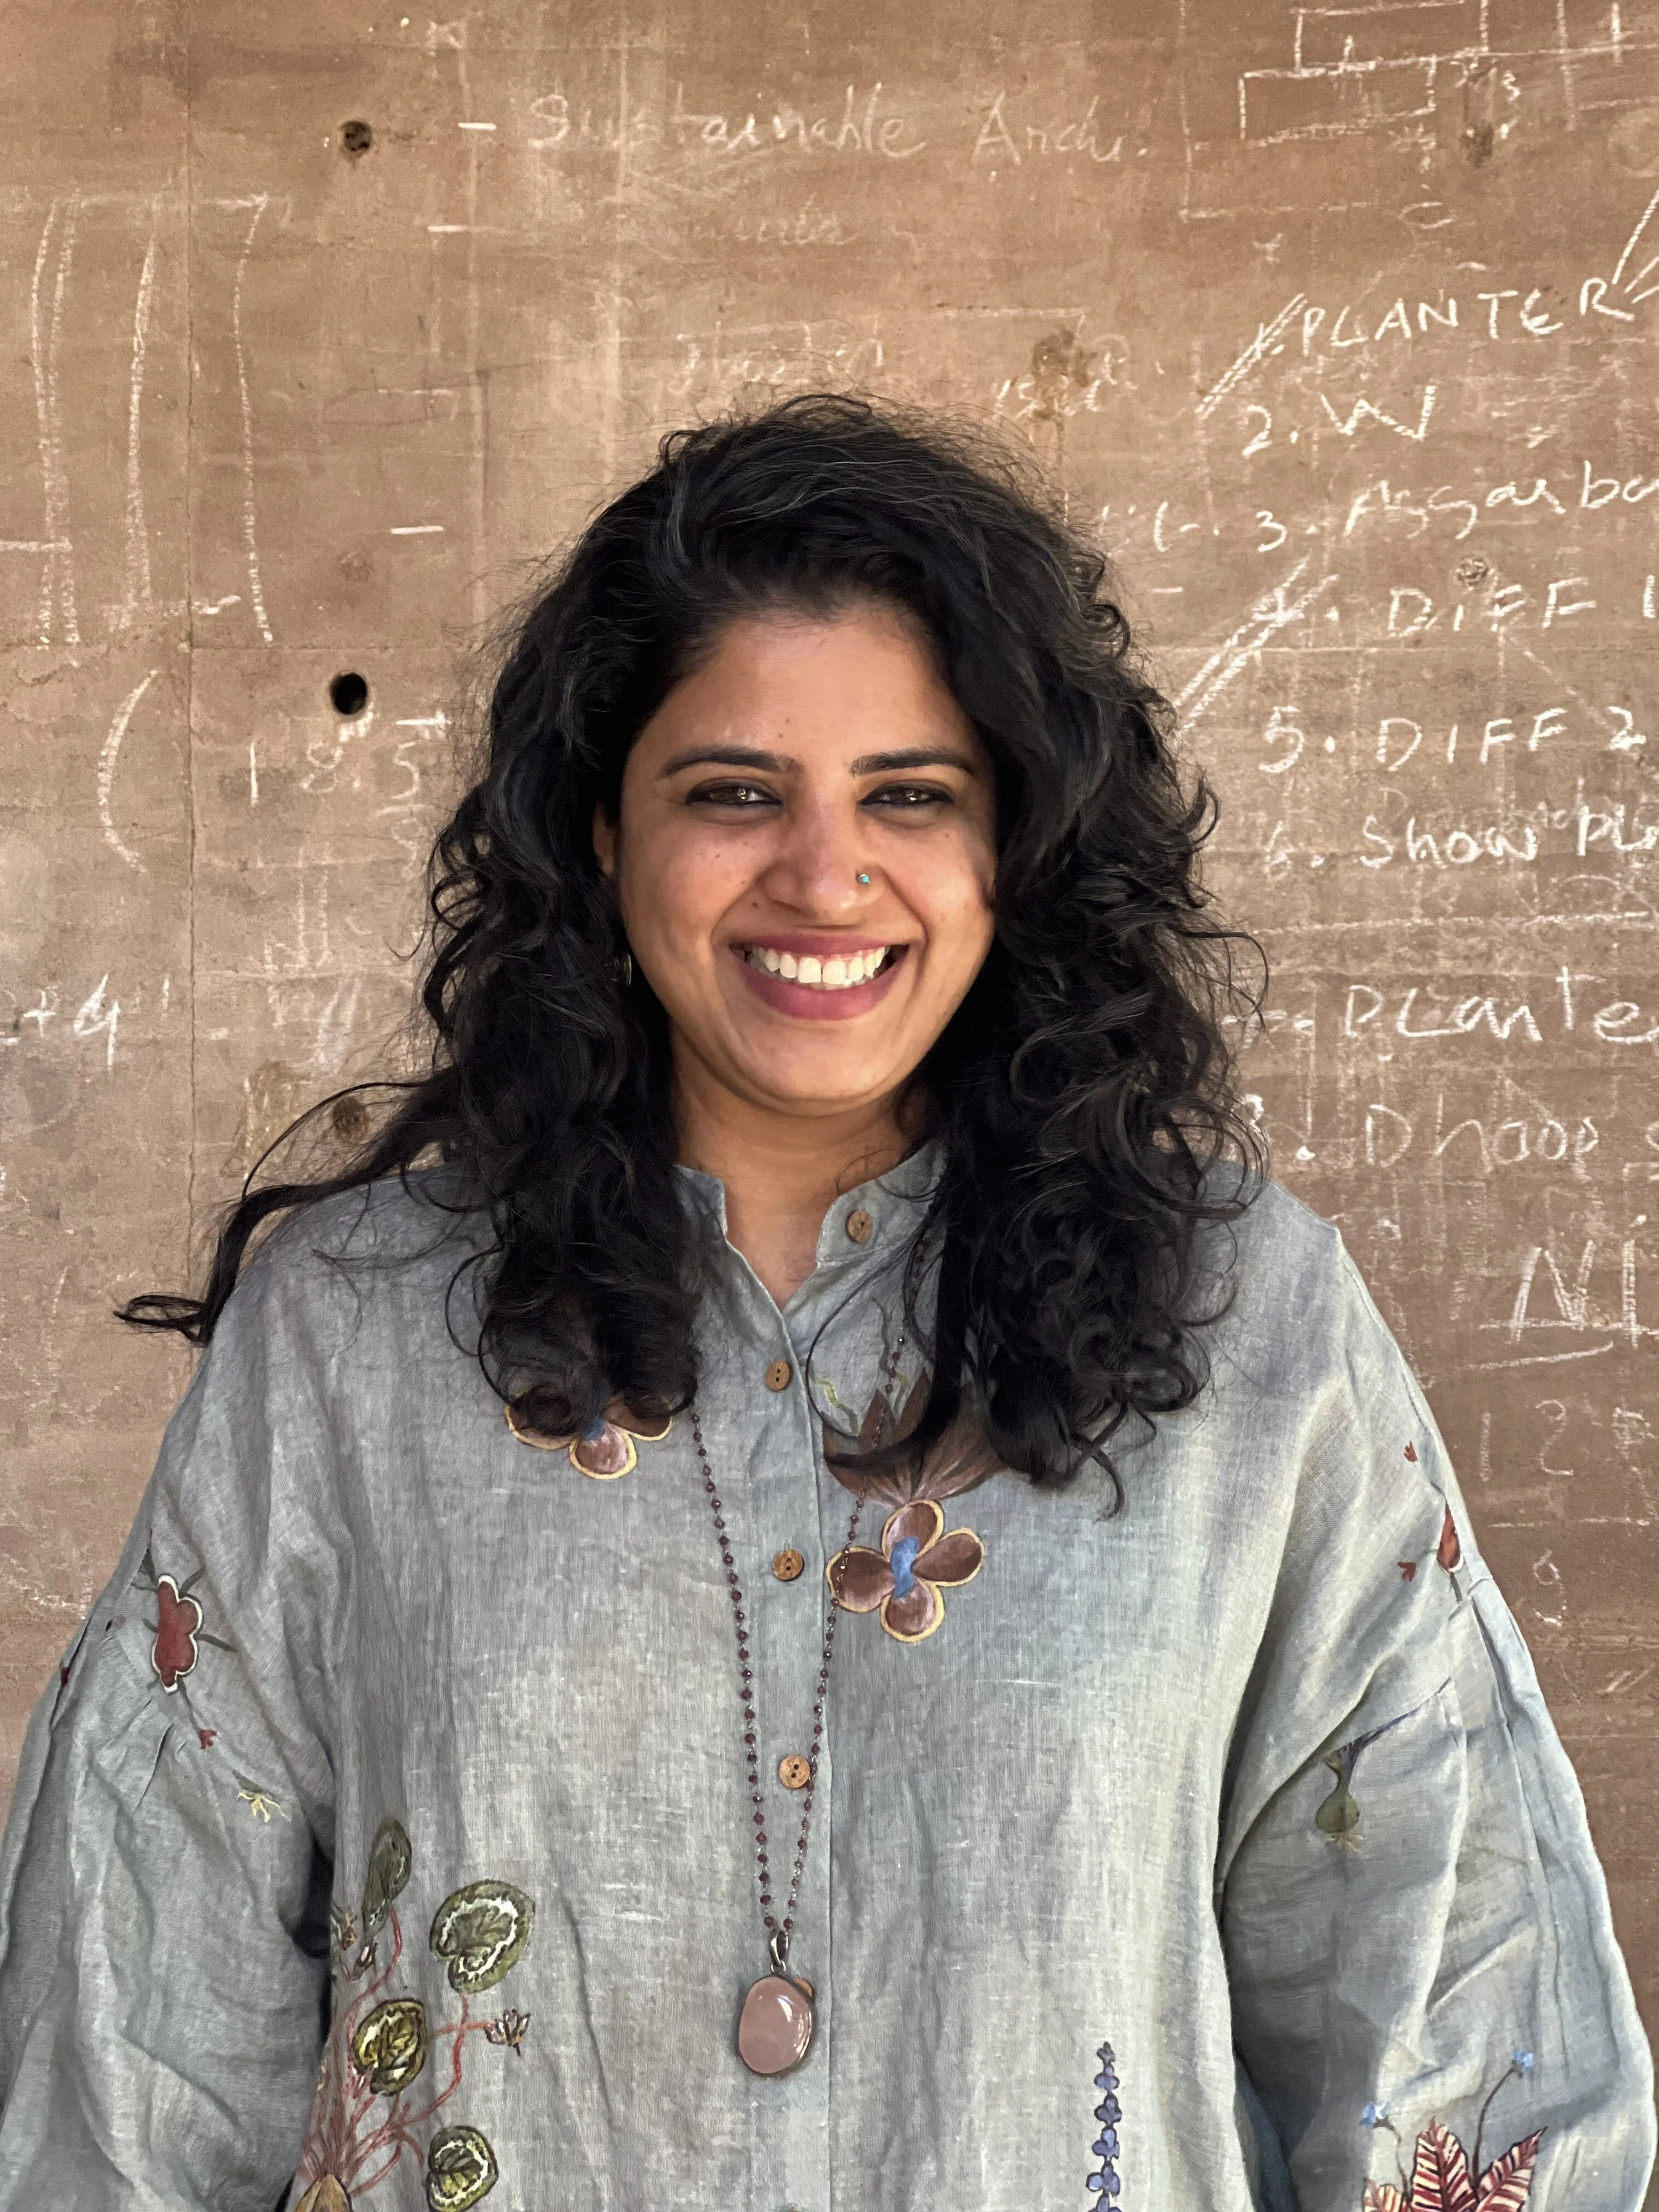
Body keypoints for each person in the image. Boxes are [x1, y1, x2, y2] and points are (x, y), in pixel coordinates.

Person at [0, 397, 1650, 2212]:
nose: (823, 873)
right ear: (600, 832)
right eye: (732, 792)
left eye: (910, 795)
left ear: (1017, 844)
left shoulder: (1247, 1329)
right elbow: (126, 2059)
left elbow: (1469, 2042)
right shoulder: (353, 1338)